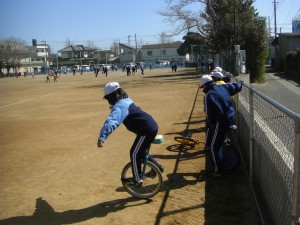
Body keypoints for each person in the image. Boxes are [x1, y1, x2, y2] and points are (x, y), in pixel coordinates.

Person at [97, 82, 164, 186]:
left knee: (134, 153)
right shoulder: (126, 100)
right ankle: (157, 168)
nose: (108, 101)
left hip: (145, 130)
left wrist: (103, 137)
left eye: (107, 98)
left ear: (112, 96)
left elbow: (112, 121)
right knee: (141, 152)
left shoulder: (120, 106)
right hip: (150, 126)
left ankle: (137, 179)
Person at [199, 75, 243, 177]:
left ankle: (218, 171)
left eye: (202, 87)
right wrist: (241, 83)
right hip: (231, 117)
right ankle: (225, 145)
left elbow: (209, 115)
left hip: (222, 121)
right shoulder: (224, 87)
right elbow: (237, 86)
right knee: (220, 138)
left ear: (205, 85)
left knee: (214, 146)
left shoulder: (208, 96)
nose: (203, 89)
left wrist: (211, 124)